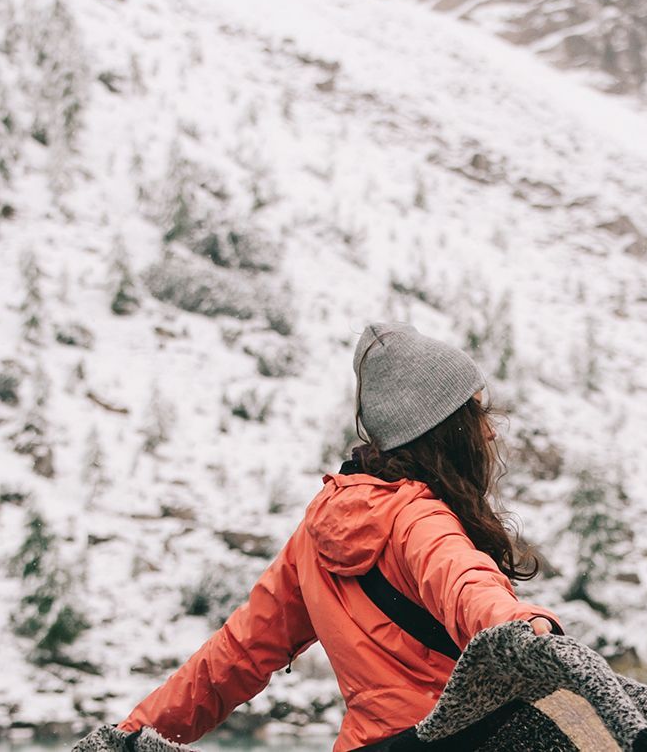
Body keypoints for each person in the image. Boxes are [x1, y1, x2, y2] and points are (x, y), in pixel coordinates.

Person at [114, 321, 564, 752]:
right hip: (452, 740)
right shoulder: (418, 520)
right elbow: (466, 583)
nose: (488, 429)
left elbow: (233, 656)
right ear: (447, 432)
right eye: (476, 411)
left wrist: (130, 735)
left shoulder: (317, 533)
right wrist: (520, 627)